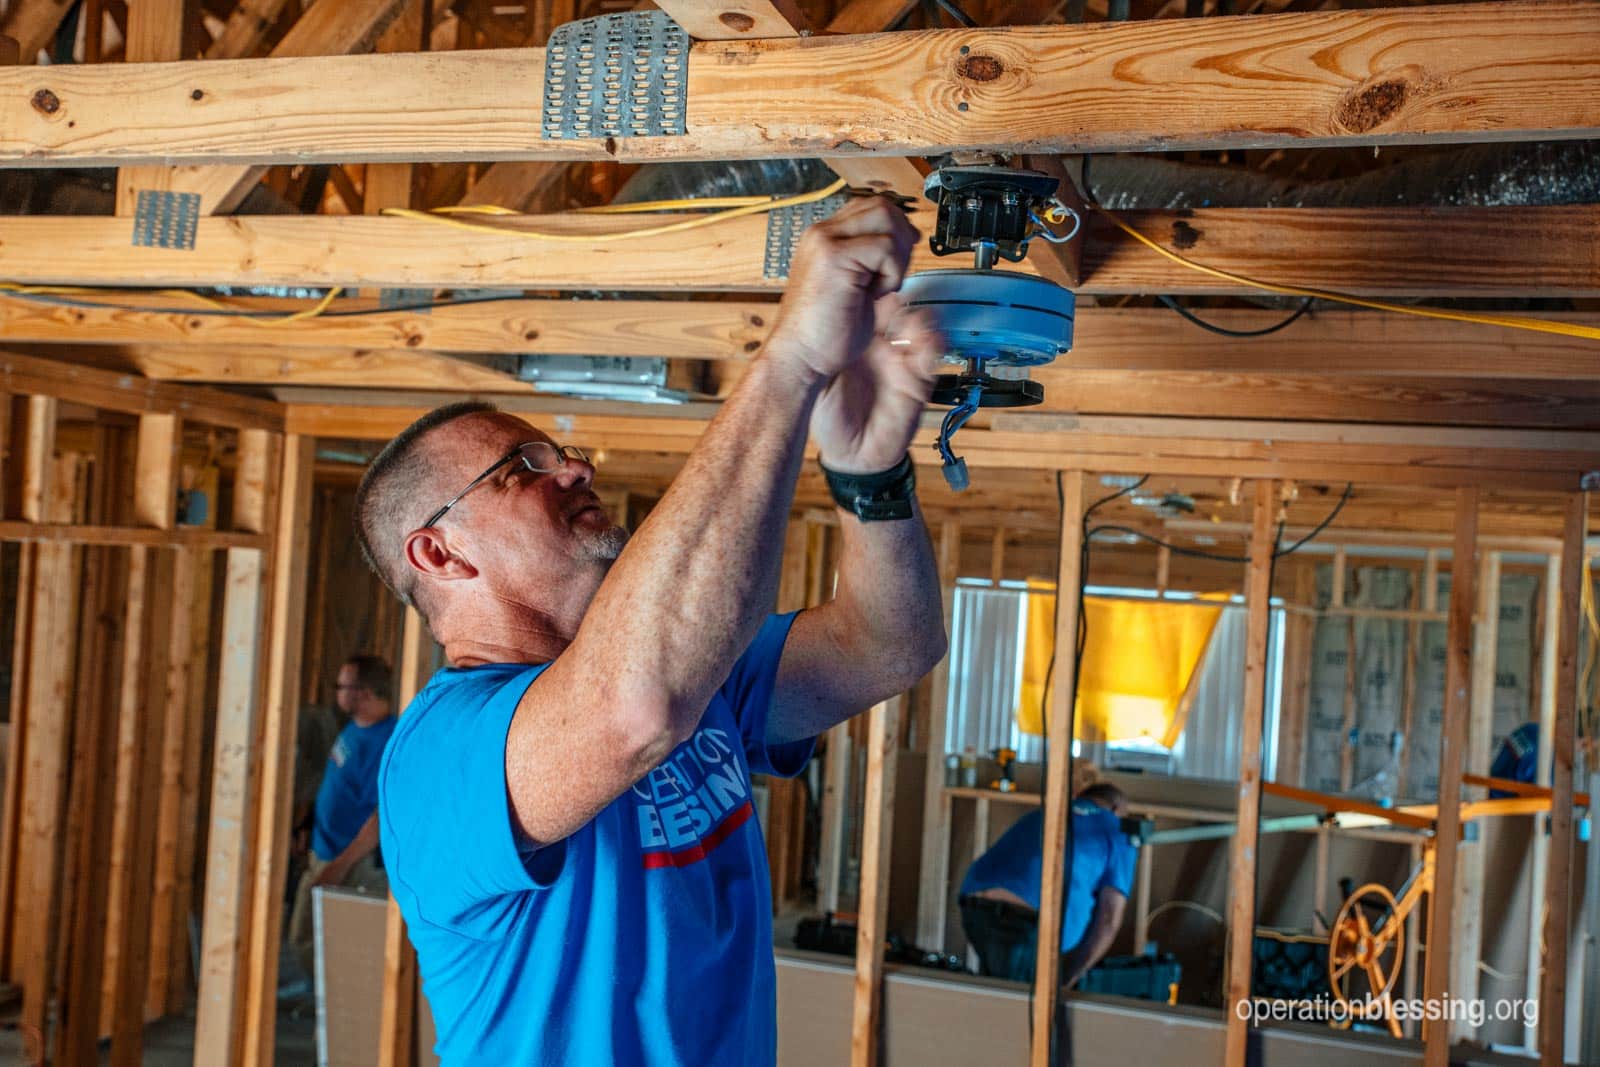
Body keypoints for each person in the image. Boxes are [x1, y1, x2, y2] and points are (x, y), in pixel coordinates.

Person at [357, 196, 948, 1066]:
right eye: (524, 466)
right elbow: (634, 708)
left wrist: (871, 473)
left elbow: (887, 644)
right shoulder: (436, 757)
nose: (576, 466)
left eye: (561, 451)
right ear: (440, 553)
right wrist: (789, 362)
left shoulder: (701, 678)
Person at [958, 782, 1136, 988]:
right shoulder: (1118, 831)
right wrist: (1071, 977)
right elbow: (1109, 918)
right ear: (1116, 809)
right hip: (1023, 920)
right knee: (1020, 1002)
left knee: (998, 990)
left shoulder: (1046, 813)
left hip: (974, 905)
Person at [285, 654, 397, 979]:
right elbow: (337, 786)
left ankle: (338, 1004)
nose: (337, 692)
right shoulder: (356, 728)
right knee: (306, 940)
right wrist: (307, 827)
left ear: (364, 693)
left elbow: (379, 819)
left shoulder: (385, 742)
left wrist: (340, 866)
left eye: (342, 686)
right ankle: (323, 998)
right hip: (326, 851)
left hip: (351, 863)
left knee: (345, 948)